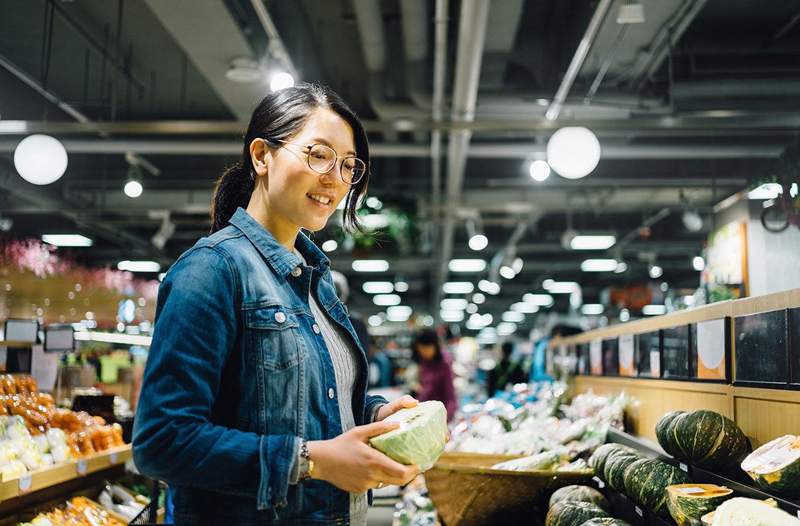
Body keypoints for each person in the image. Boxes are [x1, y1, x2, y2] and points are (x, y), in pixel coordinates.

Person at [132, 83, 419, 525]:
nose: (336, 179)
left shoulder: (316, 280)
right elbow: (162, 441)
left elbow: (305, 405)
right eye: (318, 155)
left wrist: (376, 415)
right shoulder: (212, 271)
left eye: (348, 166)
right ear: (262, 155)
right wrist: (311, 461)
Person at [410, 330, 457, 422]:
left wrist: (446, 419)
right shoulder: (424, 362)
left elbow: (450, 395)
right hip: (425, 412)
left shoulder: (444, 364)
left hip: (440, 413)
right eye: (421, 349)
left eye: (426, 348)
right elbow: (426, 387)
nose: (424, 352)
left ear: (435, 346)